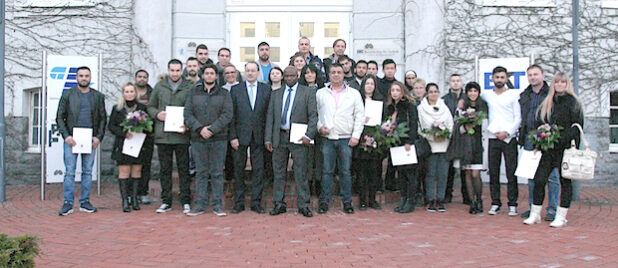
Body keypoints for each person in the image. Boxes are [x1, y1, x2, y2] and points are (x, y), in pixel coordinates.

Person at [523, 72, 583, 228]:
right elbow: (540, 124)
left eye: (563, 82)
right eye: (557, 82)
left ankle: (561, 215)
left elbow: (577, 127)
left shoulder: (574, 102)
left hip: (565, 149)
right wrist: (540, 142)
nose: (560, 85)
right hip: (548, 149)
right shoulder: (548, 102)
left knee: (565, 182)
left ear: (567, 84)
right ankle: (535, 213)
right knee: (539, 180)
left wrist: (560, 137)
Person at [264, 66, 318, 217]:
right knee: (279, 172)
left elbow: (313, 115)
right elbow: (270, 117)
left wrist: (309, 135)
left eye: (292, 76)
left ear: (297, 75)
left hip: (299, 137)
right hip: (279, 136)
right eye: (286, 76)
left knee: (301, 172)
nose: (289, 79)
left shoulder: (307, 92)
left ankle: (303, 204)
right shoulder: (275, 94)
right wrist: (268, 138)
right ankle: (278, 203)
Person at [56, 66, 107, 216]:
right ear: (76, 77)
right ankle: (68, 203)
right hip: (72, 139)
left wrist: (98, 137)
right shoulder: (68, 94)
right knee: (70, 172)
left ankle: (85, 201)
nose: (84, 78)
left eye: (86, 76)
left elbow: (103, 118)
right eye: (81, 75)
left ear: (90, 78)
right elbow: (59, 117)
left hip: (90, 139)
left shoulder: (98, 96)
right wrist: (66, 136)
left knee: (87, 172)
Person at [184, 64, 233, 217]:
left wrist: (212, 129)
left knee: (217, 172)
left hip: (219, 138)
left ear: (216, 76)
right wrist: (200, 129)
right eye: (207, 73)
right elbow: (188, 115)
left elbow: (227, 115)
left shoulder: (224, 93)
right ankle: (200, 205)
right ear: (202, 75)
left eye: (212, 73)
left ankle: (217, 205)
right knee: (201, 172)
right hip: (198, 139)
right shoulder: (193, 93)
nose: (210, 76)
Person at [316, 63, 365, 214]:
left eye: (339, 72)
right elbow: (316, 114)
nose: (336, 75)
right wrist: (319, 127)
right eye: (333, 72)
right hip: (328, 138)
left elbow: (360, 115)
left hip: (346, 138)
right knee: (327, 171)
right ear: (328, 75)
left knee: (345, 171)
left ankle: (347, 201)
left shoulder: (354, 93)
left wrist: (356, 135)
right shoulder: (321, 93)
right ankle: (324, 201)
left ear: (344, 74)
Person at [147, 59, 194, 214]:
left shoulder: (189, 86)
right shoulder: (160, 86)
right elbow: (150, 107)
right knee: (165, 170)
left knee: (183, 169)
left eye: (177, 70)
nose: (175, 73)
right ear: (168, 70)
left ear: (182, 71)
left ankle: (186, 200)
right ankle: (166, 201)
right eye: (172, 70)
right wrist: (157, 114)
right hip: (164, 135)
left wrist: (187, 124)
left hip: (181, 135)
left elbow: (193, 108)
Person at [228, 61, 272, 214]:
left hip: (259, 137)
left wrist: (268, 138)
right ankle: (239, 203)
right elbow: (231, 115)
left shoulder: (266, 89)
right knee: (238, 170)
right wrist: (232, 136)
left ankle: (256, 203)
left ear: (258, 72)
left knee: (258, 171)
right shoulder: (235, 90)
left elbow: (269, 115)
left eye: (253, 70)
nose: (251, 73)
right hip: (240, 137)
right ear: (244, 72)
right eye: (248, 70)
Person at [519, 64, 559, 221]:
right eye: (530, 75)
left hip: (548, 137)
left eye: (536, 74)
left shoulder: (552, 94)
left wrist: (551, 133)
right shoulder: (525, 95)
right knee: (531, 175)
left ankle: (553, 209)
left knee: (552, 176)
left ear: (542, 75)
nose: (533, 77)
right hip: (530, 138)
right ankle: (533, 209)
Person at [481, 66, 521, 216]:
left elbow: (518, 117)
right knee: (494, 173)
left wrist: (508, 132)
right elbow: (472, 100)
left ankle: (512, 204)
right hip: (493, 138)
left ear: (506, 79)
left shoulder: (513, 95)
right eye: (496, 77)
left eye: (502, 77)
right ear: (492, 78)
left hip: (509, 139)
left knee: (511, 172)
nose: (499, 80)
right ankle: (495, 203)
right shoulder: (487, 95)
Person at [108, 83, 151, 212]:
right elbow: (111, 126)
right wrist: (123, 133)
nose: (129, 94)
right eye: (126, 91)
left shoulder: (142, 108)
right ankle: (125, 201)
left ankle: (134, 199)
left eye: (132, 91)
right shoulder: (117, 108)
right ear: (123, 93)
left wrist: (141, 129)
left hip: (138, 144)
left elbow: (149, 125)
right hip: (123, 144)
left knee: (136, 172)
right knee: (124, 172)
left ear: (135, 93)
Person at [449, 82, 488, 214]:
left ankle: (479, 200)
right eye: (470, 91)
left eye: (475, 91)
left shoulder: (483, 106)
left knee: (476, 174)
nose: (472, 93)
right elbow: (455, 127)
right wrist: (464, 128)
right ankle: (472, 202)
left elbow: (486, 125)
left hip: (478, 145)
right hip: (465, 144)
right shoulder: (461, 107)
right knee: (467, 173)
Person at [418, 83, 453, 212]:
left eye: (436, 91)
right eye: (431, 91)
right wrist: (433, 137)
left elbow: (450, 123)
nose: (434, 94)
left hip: (444, 144)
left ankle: (441, 199)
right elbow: (422, 127)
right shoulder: (421, 108)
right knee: (431, 174)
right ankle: (430, 199)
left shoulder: (444, 107)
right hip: (430, 145)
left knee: (443, 174)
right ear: (427, 93)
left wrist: (445, 135)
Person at [385, 81, 419, 213]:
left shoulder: (409, 105)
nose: (395, 93)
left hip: (407, 144)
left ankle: (411, 201)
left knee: (410, 173)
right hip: (395, 143)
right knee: (401, 173)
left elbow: (413, 124)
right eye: (393, 90)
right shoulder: (391, 107)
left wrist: (410, 142)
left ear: (403, 91)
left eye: (397, 90)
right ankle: (403, 199)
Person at [353, 75, 383, 210]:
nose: (370, 86)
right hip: (360, 140)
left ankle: (372, 199)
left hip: (375, 141)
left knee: (374, 172)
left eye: (372, 83)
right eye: (367, 83)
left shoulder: (380, 101)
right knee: (361, 172)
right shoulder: (357, 100)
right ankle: (362, 200)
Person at [442, 74, 470, 204]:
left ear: (461, 83)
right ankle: (448, 194)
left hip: (464, 136)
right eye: (453, 81)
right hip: (449, 136)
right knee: (449, 167)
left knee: (464, 167)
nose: (455, 83)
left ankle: (466, 195)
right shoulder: (444, 99)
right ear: (449, 83)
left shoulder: (467, 98)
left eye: (458, 81)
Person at [299, 64, 325, 197]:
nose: (309, 75)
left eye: (312, 73)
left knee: (319, 158)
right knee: (307, 159)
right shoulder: (300, 90)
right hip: (305, 128)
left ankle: (319, 184)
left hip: (320, 128)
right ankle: (308, 184)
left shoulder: (323, 90)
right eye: (306, 73)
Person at [134, 69, 154, 204]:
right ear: (135, 78)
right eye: (139, 77)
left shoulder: (152, 93)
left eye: (144, 77)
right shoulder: (130, 92)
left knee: (146, 164)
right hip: (132, 134)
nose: (142, 79)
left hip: (148, 134)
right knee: (132, 164)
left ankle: (143, 192)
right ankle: (132, 193)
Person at [378, 59, 399, 191]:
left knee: (394, 155)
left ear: (395, 69)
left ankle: (390, 183)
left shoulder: (398, 85)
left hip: (394, 122)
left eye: (392, 68)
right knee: (379, 156)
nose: (390, 70)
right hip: (380, 122)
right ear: (383, 70)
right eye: (387, 68)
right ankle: (379, 184)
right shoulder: (379, 84)